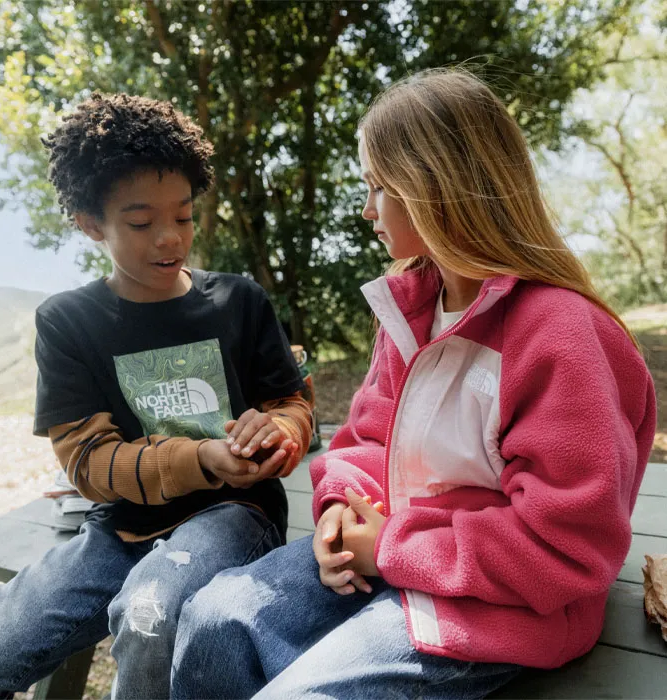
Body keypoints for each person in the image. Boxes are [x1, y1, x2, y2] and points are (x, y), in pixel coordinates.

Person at [169, 68, 657, 700]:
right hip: (390, 553)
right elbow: (368, 438)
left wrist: (392, 549)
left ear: (435, 187)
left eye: (379, 186)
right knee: (214, 619)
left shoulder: (561, 334)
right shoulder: (409, 312)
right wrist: (341, 509)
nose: (367, 209)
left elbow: (567, 546)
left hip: (497, 608)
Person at [0, 93, 312, 699]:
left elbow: (291, 404)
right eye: (140, 223)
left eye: (183, 216)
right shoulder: (68, 322)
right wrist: (199, 457)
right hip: (118, 528)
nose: (169, 238)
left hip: (233, 514)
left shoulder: (240, 301)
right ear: (90, 223)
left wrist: (278, 433)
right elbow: (87, 461)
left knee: (149, 616)